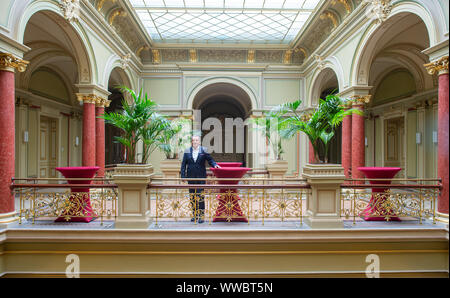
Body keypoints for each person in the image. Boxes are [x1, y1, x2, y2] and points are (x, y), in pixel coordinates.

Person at [180, 135, 220, 223]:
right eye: (193, 140)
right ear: (192, 142)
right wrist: (183, 176)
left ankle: (201, 216)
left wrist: (215, 165)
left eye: (196, 140)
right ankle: (195, 215)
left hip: (201, 177)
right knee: (192, 196)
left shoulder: (204, 150)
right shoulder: (187, 151)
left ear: (199, 142)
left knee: (200, 196)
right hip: (190, 177)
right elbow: (183, 165)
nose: (195, 141)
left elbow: (210, 160)